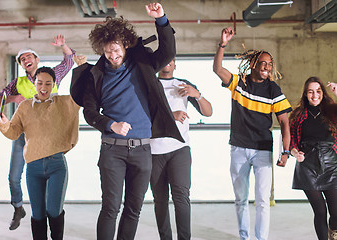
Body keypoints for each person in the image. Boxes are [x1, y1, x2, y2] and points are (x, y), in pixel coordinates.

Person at [70, 3, 183, 240]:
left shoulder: (141, 64)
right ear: (102, 49)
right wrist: (110, 124)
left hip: (143, 150)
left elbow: (168, 53)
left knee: (134, 210)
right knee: (111, 208)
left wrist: (161, 19)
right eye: (108, 51)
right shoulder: (95, 76)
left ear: (125, 45)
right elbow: (89, 113)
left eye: (117, 50)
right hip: (113, 150)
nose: (113, 56)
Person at [213, 26, 292, 240]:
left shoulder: (273, 89)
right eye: (263, 63)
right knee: (240, 199)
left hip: (262, 150)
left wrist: (285, 151)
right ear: (254, 64)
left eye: (269, 64)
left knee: (263, 200)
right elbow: (218, 69)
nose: (266, 66)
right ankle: (245, 237)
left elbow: (285, 123)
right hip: (238, 148)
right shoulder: (239, 83)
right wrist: (223, 43)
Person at [0, 35, 75, 230]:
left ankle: (51, 212)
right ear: (21, 64)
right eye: (22, 59)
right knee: (14, 176)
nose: (26, 60)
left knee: (51, 177)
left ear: (37, 59)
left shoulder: (52, 75)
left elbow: (69, 61)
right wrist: (14, 98)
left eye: (29, 56)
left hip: (48, 136)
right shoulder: (18, 82)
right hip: (23, 134)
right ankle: (18, 207)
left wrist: (63, 45)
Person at [150, 58, 212, 240]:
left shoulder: (184, 85)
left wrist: (197, 95)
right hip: (154, 151)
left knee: (181, 198)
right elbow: (144, 115)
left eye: (171, 59)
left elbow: (208, 112)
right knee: (160, 200)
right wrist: (171, 116)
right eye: (164, 58)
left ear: (175, 64)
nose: (167, 62)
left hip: (179, 149)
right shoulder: (149, 84)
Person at [289, 77, 337, 240]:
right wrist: (295, 154)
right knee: (320, 211)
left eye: (318, 91)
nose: (314, 95)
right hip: (307, 166)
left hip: (331, 164)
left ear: (323, 93)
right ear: (305, 94)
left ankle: (334, 235)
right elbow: (291, 142)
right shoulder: (297, 116)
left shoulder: (332, 111)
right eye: (310, 91)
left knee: (336, 213)